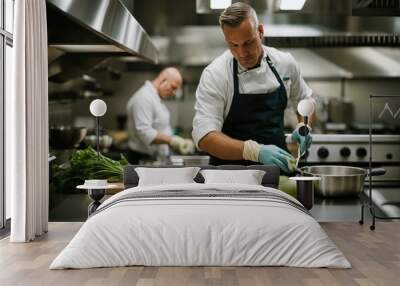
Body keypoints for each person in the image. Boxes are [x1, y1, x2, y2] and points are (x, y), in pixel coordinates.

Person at [192, 2, 314, 174]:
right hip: (228, 178)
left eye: (248, 43)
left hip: (277, 173)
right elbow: (205, 137)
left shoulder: (285, 63)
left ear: (261, 32)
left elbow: (305, 100)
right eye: (233, 45)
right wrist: (254, 151)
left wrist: (304, 127)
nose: (242, 53)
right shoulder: (216, 74)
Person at [126, 67, 194, 164]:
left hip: (153, 158)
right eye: (173, 87)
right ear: (163, 80)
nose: (174, 92)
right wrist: (173, 140)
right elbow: (145, 133)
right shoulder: (144, 97)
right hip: (141, 160)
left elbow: (160, 127)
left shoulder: (155, 97)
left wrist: (176, 140)